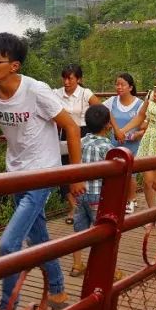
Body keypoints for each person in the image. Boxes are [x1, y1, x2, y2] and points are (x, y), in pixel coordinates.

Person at [0, 33, 84, 310]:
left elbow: (71, 127)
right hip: (15, 174)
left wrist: (74, 175)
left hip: (42, 174)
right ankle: (58, 293)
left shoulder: (36, 91)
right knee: (38, 238)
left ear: (14, 65)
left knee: (9, 244)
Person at [116, 61, 156, 212]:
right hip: (150, 138)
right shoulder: (151, 94)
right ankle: (152, 214)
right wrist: (123, 130)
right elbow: (140, 116)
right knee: (147, 179)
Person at [68, 104, 112, 277]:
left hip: (80, 193)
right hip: (98, 194)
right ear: (107, 125)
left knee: (79, 230)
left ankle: (77, 265)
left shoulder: (80, 142)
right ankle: (104, 268)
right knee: (102, 231)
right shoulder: (107, 147)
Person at [55, 64, 101, 225]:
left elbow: (100, 109)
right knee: (61, 170)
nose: (66, 82)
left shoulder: (84, 93)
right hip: (63, 133)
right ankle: (73, 205)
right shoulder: (56, 94)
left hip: (82, 132)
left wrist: (110, 128)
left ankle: (82, 206)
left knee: (80, 170)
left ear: (78, 79)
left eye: (70, 78)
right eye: (65, 78)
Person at [104, 74, 144, 214]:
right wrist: (110, 127)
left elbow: (144, 126)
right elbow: (103, 114)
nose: (119, 87)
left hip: (132, 144)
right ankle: (116, 200)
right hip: (114, 143)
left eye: (122, 84)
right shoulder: (111, 101)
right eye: (117, 84)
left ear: (131, 87)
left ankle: (131, 200)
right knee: (114, 172)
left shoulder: (139, 104)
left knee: (130, 173)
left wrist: (136, 135)